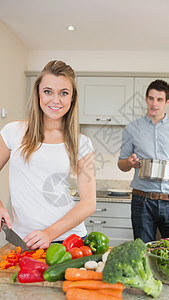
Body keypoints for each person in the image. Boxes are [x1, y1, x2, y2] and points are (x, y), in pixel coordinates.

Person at [0, 60, 96, 249]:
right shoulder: (13, 131)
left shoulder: (81, 142)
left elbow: (88, 203)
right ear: (38, 93)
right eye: (48, 91)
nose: (55, 100)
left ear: (72, 98)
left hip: (69, 239)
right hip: (23, 239)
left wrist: (49, 234)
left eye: (64, 93)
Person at [118, 79, 169, 243]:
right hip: (142, 201)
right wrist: (130, 163)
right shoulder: (132, 129)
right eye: (151, 98)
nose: (154, 104)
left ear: (167, 102)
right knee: (143, 252)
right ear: (146, 99)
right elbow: (121, 164)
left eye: (159, 99)